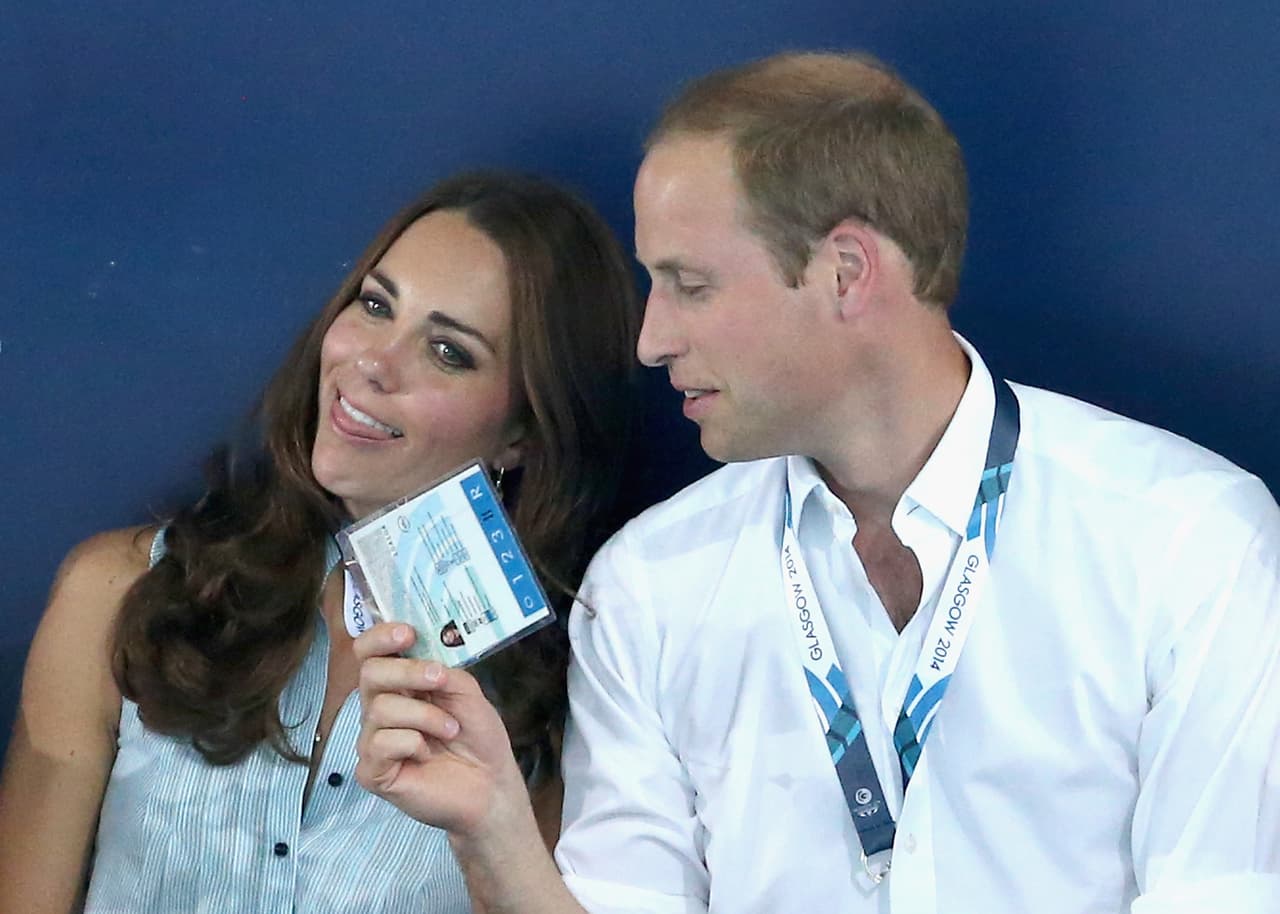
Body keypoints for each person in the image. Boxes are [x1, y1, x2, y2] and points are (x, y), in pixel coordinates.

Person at [352, 51, 1280, 914]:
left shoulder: (1189, 546)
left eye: (689, 283)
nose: (651, 340)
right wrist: (498, 837)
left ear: (845, 273)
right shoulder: (647, 587)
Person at [0, 171, 640, 913]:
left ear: (524, 433)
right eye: (374, 305)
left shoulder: (571, 705)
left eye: (447, 351)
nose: (371, 362)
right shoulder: (119, 590)